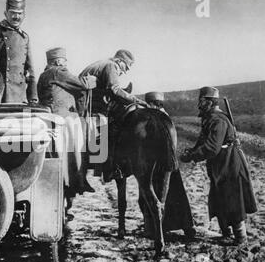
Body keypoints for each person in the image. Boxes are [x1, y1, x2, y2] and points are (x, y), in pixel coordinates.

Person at [180, 86, 257, 245]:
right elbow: (203, 141)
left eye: (201, 101)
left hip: (229, 164)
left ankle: (241, 238)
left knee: (232, 201)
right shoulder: (209, 118)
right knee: (219, 198)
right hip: (220, 165)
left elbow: (212, 147)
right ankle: (226, 234)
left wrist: (193, 156)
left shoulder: (218, 120)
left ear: (209, 102)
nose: (199, 104)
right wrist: (192, 150)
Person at [79, 49, 146, 182]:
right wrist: (136, 100)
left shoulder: (102, 63)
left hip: (86, 102)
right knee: (107, 131)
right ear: (119, 61)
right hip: (88, 107)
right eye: (125, 67)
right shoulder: (111, 66)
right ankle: (106, 169)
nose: (125, 71)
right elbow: (115, 89)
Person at [37, 47, 97, 194]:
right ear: (58, 61)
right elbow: (82, 84)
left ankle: (68, 186)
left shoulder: (43, 75)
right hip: (63, 119)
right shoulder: (58, 72)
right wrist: (92, 79)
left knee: (60, 154)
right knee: (73, 152)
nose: (65, 64)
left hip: (51, 117)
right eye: (64, 61)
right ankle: (74, 185)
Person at [142, 91, 196, 238]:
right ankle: (186, 226)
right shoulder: (166, 117)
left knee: (153, 194)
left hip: (158, 165)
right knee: (177, 196)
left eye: (148, 104)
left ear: (152, 104)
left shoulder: (154, 118)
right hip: (170, 164)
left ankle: (154, 229)